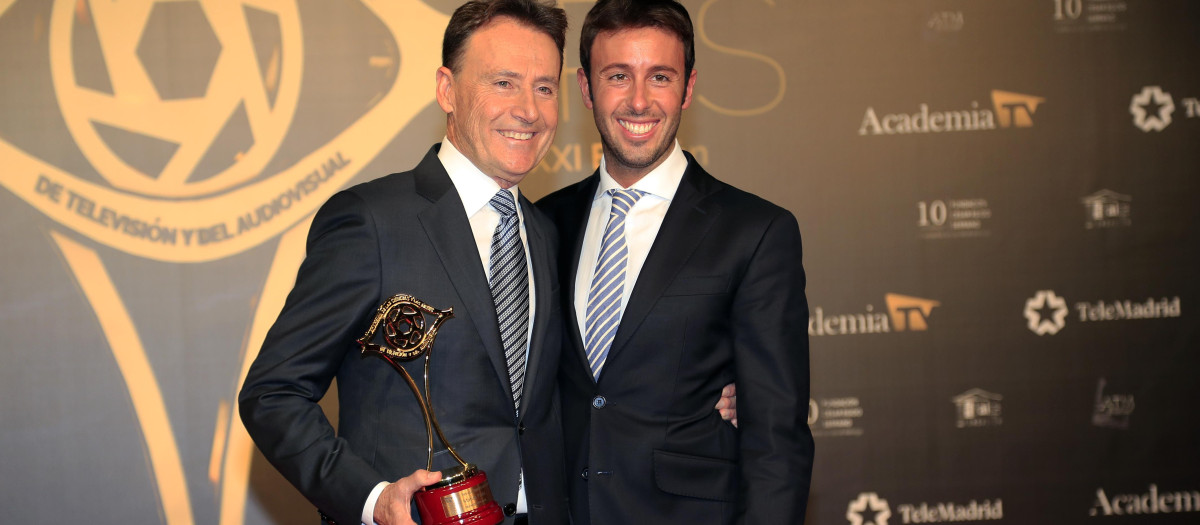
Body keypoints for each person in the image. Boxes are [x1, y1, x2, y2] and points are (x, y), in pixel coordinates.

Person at [238, 1, 570, 524]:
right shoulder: (371, 222)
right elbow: (273, 394)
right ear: (447, 90)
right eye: (503, 82)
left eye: (545, 87)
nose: (529, 109)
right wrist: (372, 500)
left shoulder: (548, 234)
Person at [536, 0, 814, 523]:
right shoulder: (544, 223)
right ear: (585, 87)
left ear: (687, 88)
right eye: (618, 75)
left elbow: (777, 440)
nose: (639, 101)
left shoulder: (755, 231)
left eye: (659, 77)